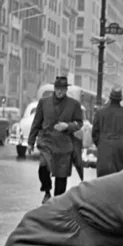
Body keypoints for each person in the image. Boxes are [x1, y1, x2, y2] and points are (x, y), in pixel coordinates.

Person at [28, 76, 84, 204]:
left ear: (66, 90)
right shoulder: (43, 102)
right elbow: (36, 122)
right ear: (54, 88)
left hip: (64, 144)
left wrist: (67, 126)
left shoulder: (74, 105)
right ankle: (47, 190)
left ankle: (58, 202)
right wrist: (31, 142)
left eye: (63, 89)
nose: (60, 91)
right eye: (58, 88)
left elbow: (79, 123)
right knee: (43, 167)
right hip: (46, 141)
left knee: (61, 176)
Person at [92, 86, 123, 177]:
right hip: (122, 150)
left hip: (104, 148)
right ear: (120, 99)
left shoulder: (100, 113)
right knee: (121, 179)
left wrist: (101, 143)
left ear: (110, 98)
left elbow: (95, 134)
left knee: (103, 181)